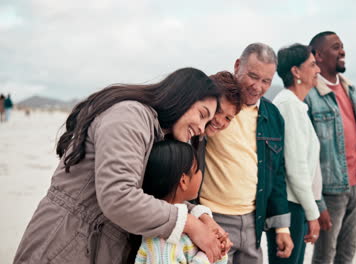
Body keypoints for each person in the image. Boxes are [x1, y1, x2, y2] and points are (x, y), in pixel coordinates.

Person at [14, 67, 226, 264]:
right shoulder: (130, 116)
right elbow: (119, 197)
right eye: (202, 115)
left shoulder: (157, 134)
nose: (201, 128)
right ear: (182, 97)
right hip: (65, 242)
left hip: (100, 246)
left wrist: (202, 217)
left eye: (207, 123)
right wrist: (190, 224)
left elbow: (152, 196)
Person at [199, 43, 293, 264]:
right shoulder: (213, 106)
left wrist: (282, 227)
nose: (257, 87)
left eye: (266, 81)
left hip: (253, 221)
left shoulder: (273, 116)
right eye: (252, 76)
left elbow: (277, 172)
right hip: (212, 218)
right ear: (237, 66)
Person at [305, 31, 356, 263]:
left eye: (342, 46)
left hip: (355, 185)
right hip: (329, 191)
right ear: (318, 55)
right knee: (325, 256)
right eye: (336, 47)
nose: (343, 51)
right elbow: (307, 156)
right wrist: (318, 203)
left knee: (347, 252)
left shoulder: (350, 89)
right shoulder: (310, 95)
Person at [268, 44, 322, 264]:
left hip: (296, 204)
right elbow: (296, 167)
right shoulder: (288, 105)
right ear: (296, 71)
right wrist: (313, 213)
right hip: (288, 207)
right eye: (312, 64)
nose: (318, 70)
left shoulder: (296, 106)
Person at [135, 140, 228, 264]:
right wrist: (207, 255)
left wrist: (219, 251)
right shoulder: (160, 243)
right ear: (183, 181)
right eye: (197, 170)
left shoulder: (192, 225)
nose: (201, 173)